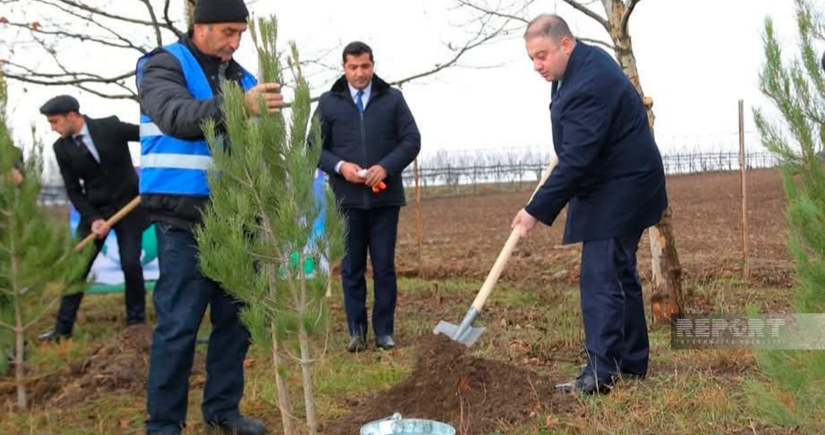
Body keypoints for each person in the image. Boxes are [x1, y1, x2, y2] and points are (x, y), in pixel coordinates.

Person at [136, 0, 282, 433]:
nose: (236, 42)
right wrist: (240, 107)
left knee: (235, 325)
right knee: (179, 325)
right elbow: (175, 117)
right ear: (200, 26)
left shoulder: (243, 77)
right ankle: (163, 424)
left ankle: (222, 412)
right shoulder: (163, 65)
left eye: (241, 33)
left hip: (238, 220)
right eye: (227, 32)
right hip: (183, 220)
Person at [510, 15, 668, 394]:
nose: (537, 66)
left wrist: (535, 210)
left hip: (622, 186)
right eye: (532, 58)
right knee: (619, 271)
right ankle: (629, 360)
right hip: (616, 181)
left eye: (542, 56)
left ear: (566, 44)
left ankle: (601, 372)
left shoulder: (589, 83)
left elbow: (578, 159)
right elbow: (577, 148)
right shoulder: (579, 67)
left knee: (600, 276)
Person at [315, 41, 421, 352]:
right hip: (346, 201)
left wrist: (385, 167)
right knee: (351, 268)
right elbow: (313, 148)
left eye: (365, 66)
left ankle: (384, 332)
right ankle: (356, 332)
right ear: (344, 68)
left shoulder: (393, 100)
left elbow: (412, 140)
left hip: (384, 201)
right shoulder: (328, 103)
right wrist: (340, 166)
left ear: (373, 65)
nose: (359, 73)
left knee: (385, 266)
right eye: (353, 67)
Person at [38, 95, 148, 342]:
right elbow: (74, 190)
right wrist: (94, 219)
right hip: (95, 212)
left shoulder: (111, 126)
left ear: (72, 116)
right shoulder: (61, 148)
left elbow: (149, 136)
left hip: (129, 208)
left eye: (55, 122)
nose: (52, 128)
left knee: (131, 263)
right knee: (77, 269)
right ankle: (62, 330)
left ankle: (136, 324)